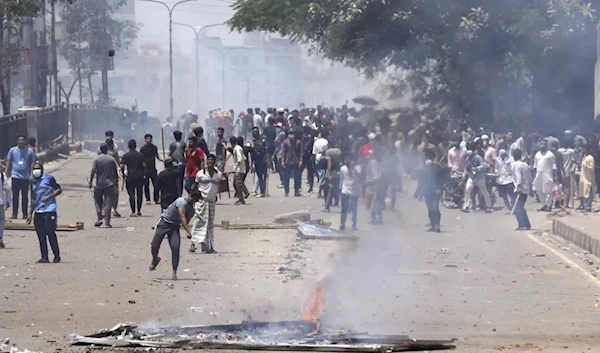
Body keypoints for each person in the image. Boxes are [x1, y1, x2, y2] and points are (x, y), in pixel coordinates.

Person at [150, 190, 201, 280]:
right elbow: (182, 216)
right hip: (164, 222)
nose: (192, 200)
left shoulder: (191, 210)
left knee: (175, 247)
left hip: (174, 226)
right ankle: (155, 259)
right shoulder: (181, 201)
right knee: (154, 245)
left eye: (195, 200)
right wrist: (188, 231)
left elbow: (186, 220)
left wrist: (185, 226)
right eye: (192, 198)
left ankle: (174, 272)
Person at [27, 163, 62, 263]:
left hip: (50, 209)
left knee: (50, 232)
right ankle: (44, 257)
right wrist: (30, 213)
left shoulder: (49, 178)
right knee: (41, 235)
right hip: (38, 211)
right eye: (34, 169)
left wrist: (49, 197)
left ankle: (56, 256)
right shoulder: (32, 182)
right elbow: (33, 198)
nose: (36, 171)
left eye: (38, 169)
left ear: (42, 170)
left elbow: (59, 189)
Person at [190, 154, 223, 253]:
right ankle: (193, 243)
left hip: (212, 202)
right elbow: (195, 186)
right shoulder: (200, 174)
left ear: (215, 161)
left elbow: (220, 187)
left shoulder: (218, 174)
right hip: (201, 201)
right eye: (208, 160)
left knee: (209, 225)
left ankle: (209, 246)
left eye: (212, 160)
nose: (210, 162)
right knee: (198, 222)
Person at [6, 135, 36, 219]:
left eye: (22, 140)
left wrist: (31, 175)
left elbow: (32, 164)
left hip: (25, 177)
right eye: (19, 140)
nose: (21, 141)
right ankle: (14, 213)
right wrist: (6, 173)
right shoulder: (12, 150)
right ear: (17, 141)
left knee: (25, 196)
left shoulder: (29, 151)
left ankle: (25, 214)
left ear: (25, 141)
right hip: (15, 176)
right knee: (15, 196)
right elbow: (8, 161)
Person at [89, 143, 118, 228]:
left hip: (99, 183)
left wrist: (90, 182)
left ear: (100, 150)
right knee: (108, 203)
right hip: (109, 183)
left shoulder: (96, 159)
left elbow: (93, 170)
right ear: (107, 149)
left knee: (98, 201)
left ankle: (99, 217)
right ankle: (107, 222)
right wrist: (116, 183)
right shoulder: (111, 159)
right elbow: (115, 172)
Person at [461, 144, 492, 213]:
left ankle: (488, 206)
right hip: (472, 177)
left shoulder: (478, 158)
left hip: (480, 177)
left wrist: (477, 168)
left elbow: (482, 165)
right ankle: (466, 206)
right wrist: (464, 175)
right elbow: (466, 168)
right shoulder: (467, 159)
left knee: (484, 191)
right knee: (467, 190)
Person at [120, 139, 146, 217]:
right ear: (135, 146)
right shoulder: (140, 155)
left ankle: (133, 211)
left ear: (128, 146)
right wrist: (143, 173)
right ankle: (139, 210)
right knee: (139, 194)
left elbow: (122, 166)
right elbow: (144, 165)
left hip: (130, 177)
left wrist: (123, 174)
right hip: (139, 177)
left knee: (131, 195)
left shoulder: (126, 155)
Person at [421, 149, 444, 232]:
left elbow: (442, 179)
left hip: (435, 190)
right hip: (427, 191)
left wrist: (439, 188)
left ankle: (437, 225)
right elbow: (422, 181)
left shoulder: (437, 167)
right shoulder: (424, 168)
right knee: (430, 208)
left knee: (435, 208)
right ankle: (433, 225)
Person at [533, 138, 557, 212]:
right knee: (539, 191)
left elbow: (554, 166)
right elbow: (535, 166)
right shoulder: (537, 154)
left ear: (547, 145)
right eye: (541, 144)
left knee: (548, 191)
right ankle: (544, 205)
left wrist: (555, 176)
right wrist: (534, 176)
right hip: (538, 175)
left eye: (544, 144)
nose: (542, 145)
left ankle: (549, 206)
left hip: (547, 175)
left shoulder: (550, 154)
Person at [511, 149, 532, 230]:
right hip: (526, 188)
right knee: (520, 207)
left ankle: (523, 224)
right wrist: (530, 187)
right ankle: (524, 224)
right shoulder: (525, 164)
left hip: (519, 189)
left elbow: (518, 176)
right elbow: (529, 176)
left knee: (517, 207)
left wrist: (518, 186)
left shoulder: (515, 165)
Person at [339, 155, 361, 231]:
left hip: (354, 192)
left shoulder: (357, 168)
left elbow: (359, 176)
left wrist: (353, 169)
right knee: (344, 209)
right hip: (345, 190)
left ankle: (354, 225)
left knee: (354, 210)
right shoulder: (343, 169)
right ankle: (342, 224)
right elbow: (341, 179)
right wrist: (340, 188)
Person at [281, 128, 304, 197]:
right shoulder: (286, 142)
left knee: (297, 177)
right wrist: (282, 161)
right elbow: (283, 152)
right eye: (290, 133)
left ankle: (296, 192)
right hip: (288, 161)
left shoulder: (299, 142)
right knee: (286, 178)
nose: (291, 135)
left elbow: (301, 153)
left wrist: (300, 161)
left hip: (296, 162)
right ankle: (286, 191)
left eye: (292, 133)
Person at [140, 134, 162, 205]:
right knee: (146, 185)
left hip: (153, 169)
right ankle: (148, 199)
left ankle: (156, 199)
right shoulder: (143, 149)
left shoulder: (154, 147)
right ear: (145, 140)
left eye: (150, 139)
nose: (149, 140)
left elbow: (157, 156)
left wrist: (163, 160)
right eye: (147, 139)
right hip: (146, 170)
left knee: (156, 184)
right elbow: (141, 159)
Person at [105, 138, 122, 218]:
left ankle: (103, 210)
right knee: (115, 193)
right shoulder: (113, 153)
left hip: (104, 176)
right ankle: (114, 209)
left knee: (104, 193)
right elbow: (118, 164)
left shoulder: (101, 154)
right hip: (113, 175)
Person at [365, 149, 383, 224]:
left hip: (372, 184)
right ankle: (376, 218)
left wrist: (376, 182)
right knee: (372, 202)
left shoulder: (373, 162)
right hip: (371, 183)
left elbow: (375, 172)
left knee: (371, 202)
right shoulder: (373, 162)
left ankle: (377, 218)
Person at [323, 140, 341, 210]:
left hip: (332, 172)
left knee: (329, 190)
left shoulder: (328, 152)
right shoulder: (339, 151)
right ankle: (337, 203)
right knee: (337, 188)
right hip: (339, 172)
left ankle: (327, 207)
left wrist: (328, 174)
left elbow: (329, 163)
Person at [250, 127, 268, 197]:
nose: (254, 133)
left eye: (256, 132)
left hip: (263, 161)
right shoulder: (252, 142)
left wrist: (268, 161)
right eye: (253, 132)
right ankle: (262, 192)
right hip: (257, 162)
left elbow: (266, 151)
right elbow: (252, 155)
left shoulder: (263, 141)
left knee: (264, 177)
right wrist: (251, 165)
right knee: (260, 177)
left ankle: (263, 192)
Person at [312, 129, 329, 198]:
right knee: (323, 176)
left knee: (320, 175)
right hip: (324, 159)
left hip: (317, 159)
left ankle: (321, 192)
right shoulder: (326, 141)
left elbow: (314, 153)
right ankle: (319, 193)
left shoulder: (316, 142)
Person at [169, 131, 186, 196]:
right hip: (181, 164)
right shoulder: (183, 144)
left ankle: (177, 194)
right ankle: (179, 193)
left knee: (175, 179)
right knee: (180, 180)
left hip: (174, 164)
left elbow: (170, 153)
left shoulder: (172, 144)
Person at [558, 141, 576, 208]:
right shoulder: (572, 151)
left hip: (560, 171)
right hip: (568, 171)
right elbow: (574, 160)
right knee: (567, 188)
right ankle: (566, 203)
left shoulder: (559, 151)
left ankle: (560, 200)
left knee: (560, 187)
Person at [579, 144, 595, 212]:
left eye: (584, 149)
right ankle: (583, 205)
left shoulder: (590, 158)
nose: (583, 150)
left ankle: (588, 207)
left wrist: (586, 166)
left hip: (588, 179)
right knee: (582, 192)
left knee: (588, 192)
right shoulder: (584, 157)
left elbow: (592, 168)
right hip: (583, 178)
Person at [231, 136, 247, 205]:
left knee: (238, 185)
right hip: (241, 168)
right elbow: (244, 158)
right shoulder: (238, 148)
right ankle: (241, 198)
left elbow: (240, 159)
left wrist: (236, 167)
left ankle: (241, 200)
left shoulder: (237, 148)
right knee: (236, 184)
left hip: (239, 169)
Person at [0, 169, 11, 249]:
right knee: (1, 220)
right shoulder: (2, 175)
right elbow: (7, 189)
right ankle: (0, 237)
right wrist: (8, 201)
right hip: (0, 202)